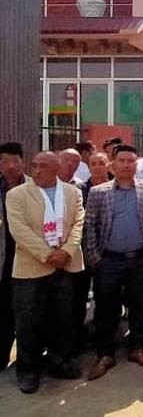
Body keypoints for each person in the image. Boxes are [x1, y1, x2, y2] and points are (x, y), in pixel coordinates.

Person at [6, 152, 85, 393]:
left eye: (43, 166)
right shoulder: (16, 195)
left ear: (57, 168)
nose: (37, 170)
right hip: (32, 269)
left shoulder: (73, 193)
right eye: (34, 166)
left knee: (62, 318)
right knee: (28, 322)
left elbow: (78, 223)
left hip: (65, 265)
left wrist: (67, 252)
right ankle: (28, 371)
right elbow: (19, 229)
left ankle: (58, 361)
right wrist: (47, 254)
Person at [85, 145, 143, 380]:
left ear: (136, 165)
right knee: (107, 306)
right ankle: (105, 353)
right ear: (113, 164)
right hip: (109, 260)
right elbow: (89, 227)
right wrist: (95, 258)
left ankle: (138, 348)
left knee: (141, 303)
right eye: (122, 160)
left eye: (131, 160)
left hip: (141, 258)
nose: (127, 164)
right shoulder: (99, 192)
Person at [74, 152, 111, 355]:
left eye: (101, 163)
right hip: (82, 252)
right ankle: (78, 336)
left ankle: (104, 335)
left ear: (109, 165)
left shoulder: (118, 186)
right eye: (93, 164)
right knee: (79, 296)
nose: (97, 167)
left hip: (110, 253)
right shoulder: (79, 190)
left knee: (105, 296)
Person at [0, 142, 29, 371]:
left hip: (27, 258)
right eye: (3, 161)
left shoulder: (35, 187)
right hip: (2, 258)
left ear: (22, 160)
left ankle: (27, 361)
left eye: (14, 160)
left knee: (25, 311)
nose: (9, 166)